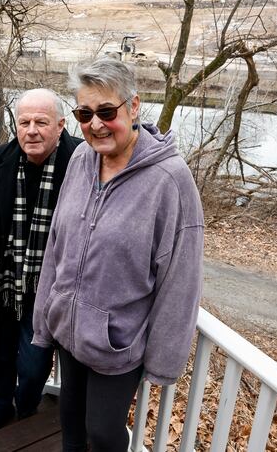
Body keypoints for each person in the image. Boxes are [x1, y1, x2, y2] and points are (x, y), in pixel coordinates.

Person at [32, 58, 204, 451]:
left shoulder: (170, 180)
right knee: (71, 427)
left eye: (107, 112)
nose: (95, 124)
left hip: (118, 341)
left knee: (104, 434)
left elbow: (181, 279)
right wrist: (46, 316)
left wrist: (163, 362)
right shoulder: (80, 159)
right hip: (70, 330)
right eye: (84, 113)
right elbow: (56, 244)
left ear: (134, 106)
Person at [0, 88, 82, 438]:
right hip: (4, 284)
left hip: (49, 292)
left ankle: (27, 406)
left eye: (41, 122)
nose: (32, 130)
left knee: (33, 369)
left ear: (61, 125)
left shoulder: (82, 161)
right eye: (24, 122)